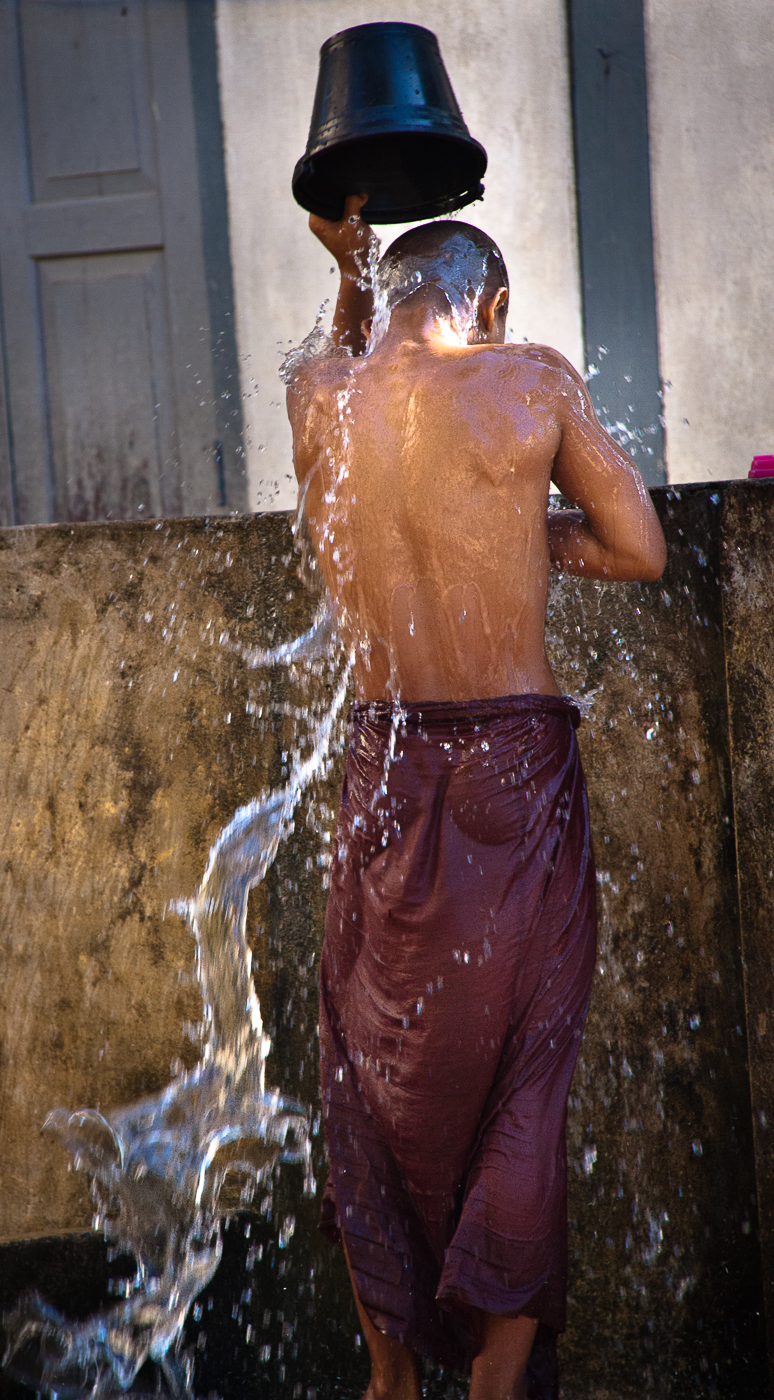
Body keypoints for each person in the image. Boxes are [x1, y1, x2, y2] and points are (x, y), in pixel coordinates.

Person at [285, 196, 666, 1400]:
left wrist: (345, 269)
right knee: (524, 1070)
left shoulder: (319, 397)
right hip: (511, 766)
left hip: (380, 762)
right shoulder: (528, 377)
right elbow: (638, 546)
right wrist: (522, 529)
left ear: (389, 300)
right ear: (488, 305)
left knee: (365, 1063)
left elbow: (338, 366)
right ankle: (499, 1377)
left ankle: (391, 1375)